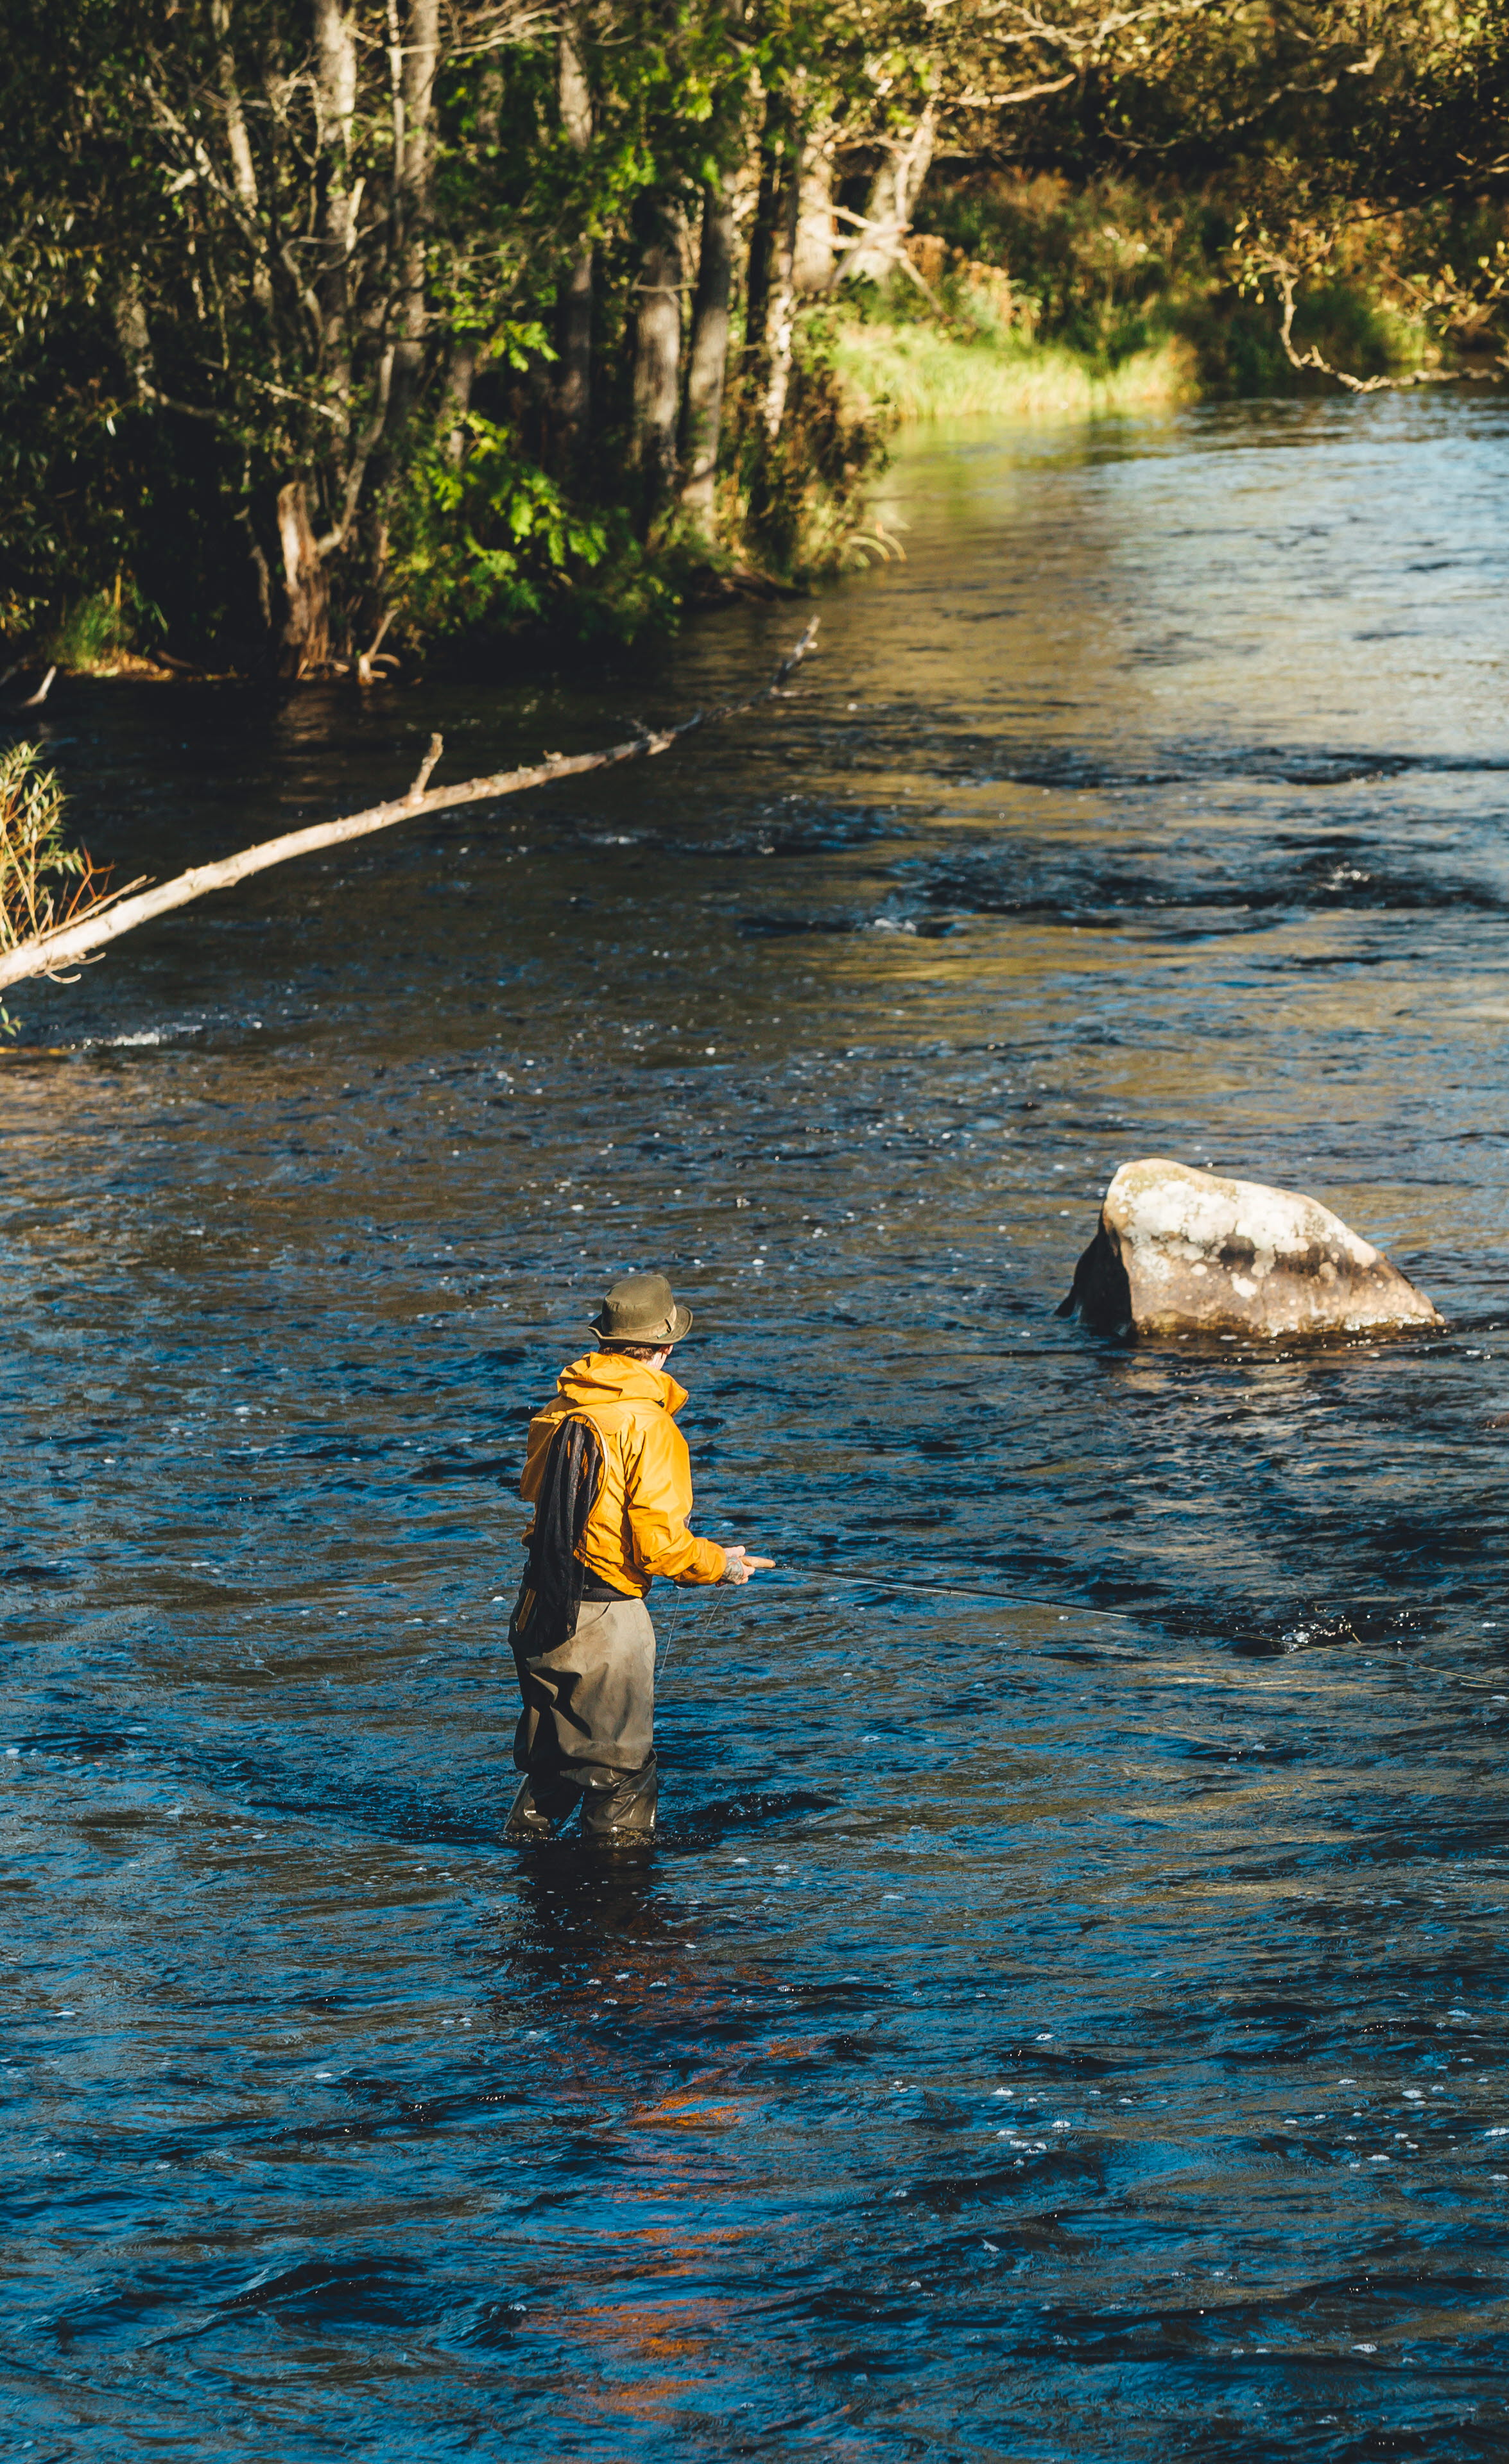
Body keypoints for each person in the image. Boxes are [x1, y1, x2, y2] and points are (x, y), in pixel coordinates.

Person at [505, 1272, 769, 1845]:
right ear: (667, 1347)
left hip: (537, 1609)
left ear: (606, 1342)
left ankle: (524, 1882)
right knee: (620, 1776)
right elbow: (661, 1547)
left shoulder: (562, 1407)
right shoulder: (650, 1425)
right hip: (603, 1621)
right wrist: (720, 1564)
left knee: (555, 1762)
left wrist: (706, 1556)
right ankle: (619, 1921)